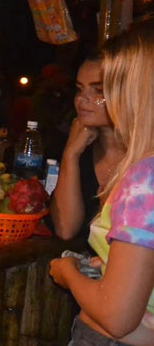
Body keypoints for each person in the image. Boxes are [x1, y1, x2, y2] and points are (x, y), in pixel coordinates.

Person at [49, 27, 154, 346]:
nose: (87, 100)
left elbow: (117, 317)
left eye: (107, 88)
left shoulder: (144, 178)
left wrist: (69, 273)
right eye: (81, 89)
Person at [49, 52, 124, 240]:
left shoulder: (144, 156)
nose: (83, 99)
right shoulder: (81, 151)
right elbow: (65, 229)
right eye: (79, 89)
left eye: (98, 90)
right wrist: (71, 154)